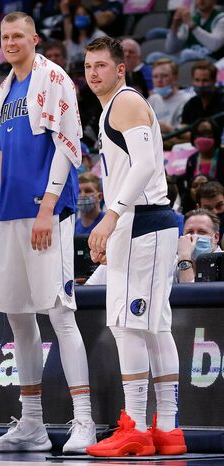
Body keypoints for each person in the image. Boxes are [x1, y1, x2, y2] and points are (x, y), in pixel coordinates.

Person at [0, 11, 97, 455]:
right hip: (7, 218)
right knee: (18, 318)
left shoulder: (54, 77)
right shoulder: (4, 90)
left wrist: (47, 207)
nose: (10, 42)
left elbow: (68, 146)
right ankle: (32, 425)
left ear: (35, 38)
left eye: (18, 35)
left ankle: (85, 422)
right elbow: (2, 163)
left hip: (45, 215)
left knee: (59, 314)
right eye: (4, 37)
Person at [84, 36, 186, 457]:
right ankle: (168, 429)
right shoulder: (117, 104)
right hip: (148, 223)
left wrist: (111, 216)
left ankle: (138, 427)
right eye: (88, 66)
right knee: (155, 327)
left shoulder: (125, 102)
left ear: (120, 68)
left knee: (129, 326)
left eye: (101, 66)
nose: (93, 73)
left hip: (141, 220)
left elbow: (146, 165)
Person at [176, 208, 221, 283]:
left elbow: (191, 294)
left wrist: (185, 261)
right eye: (190, 232)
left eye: (202, 232)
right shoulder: (173, 266)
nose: (195, 237)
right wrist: (184, 257)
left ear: (216, 237)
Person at [148, 59, 191, 136]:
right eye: (155, 76)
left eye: (164, 76)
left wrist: (167, 128)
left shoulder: (186, 100)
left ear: (175, 78)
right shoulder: (153, 99)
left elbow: (188, 134)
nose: (159, 80)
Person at [60, 0, 106, 71]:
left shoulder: (100, 36)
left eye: (84, 14)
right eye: (78, 15)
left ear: (90, 17)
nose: (81, 17)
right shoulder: (71, 41)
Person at [180, 61, 224, 133]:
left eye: (205, 80)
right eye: (197, 80)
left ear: (214, 81)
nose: (200, 85)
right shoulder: (191, 104)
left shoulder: (222, 102)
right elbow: (183, 129)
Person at [185, 118, 224, 187]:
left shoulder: (222, 155)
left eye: (207, 133)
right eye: (199, 134)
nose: (203, 137)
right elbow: (189, 186)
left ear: (215, 134)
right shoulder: (191, 160)